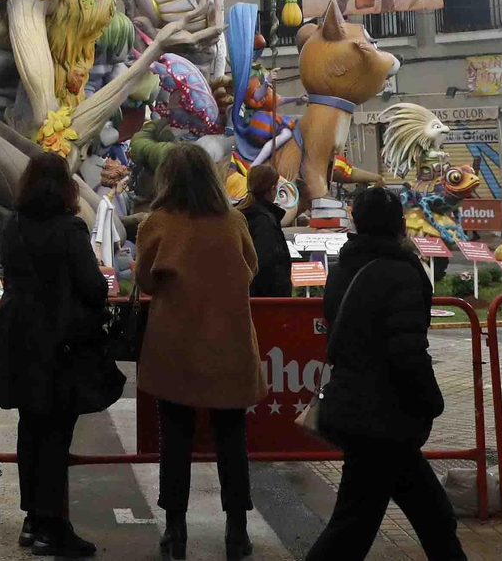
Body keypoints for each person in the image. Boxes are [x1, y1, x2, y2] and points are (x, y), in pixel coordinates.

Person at [303, 185, 466, 561]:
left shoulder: (345, 265)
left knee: (432, 515)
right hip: (381, 417)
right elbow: (407, 350)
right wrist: (431, 401)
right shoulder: (400, 273)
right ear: (399, 224)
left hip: (362, 409)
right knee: (353, 528)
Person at [135, 142, 263, 561]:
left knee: (175, 441)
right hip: (229, 346)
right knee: (232, 441)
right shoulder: (234, 221)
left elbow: (147, 283)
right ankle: (237, 532)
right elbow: (252, 270)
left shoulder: (158, 224)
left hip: (175, 348)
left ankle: (175, 531)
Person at [0, 152, 113, 557]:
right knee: (56, 436)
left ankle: (32, 520)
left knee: (30, 431)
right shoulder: (69, 228)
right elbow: (94, 288)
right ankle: (53, 528)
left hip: (18, 340)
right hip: (59, 344)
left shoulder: (12, 225)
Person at [241, 163, 293, 298]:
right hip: (268, 302)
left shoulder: (242, 214)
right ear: (272, 189)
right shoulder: (264, 221)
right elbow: (267, 264)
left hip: (248, 297)